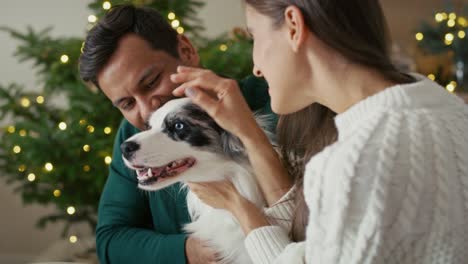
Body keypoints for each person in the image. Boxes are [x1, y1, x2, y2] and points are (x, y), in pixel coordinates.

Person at [171, 0, 468, 263]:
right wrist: (248, 135)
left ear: (293, 26)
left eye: (254, 38)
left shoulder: (353, 162)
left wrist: (240, 208)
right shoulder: (448, 108)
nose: (256, 67)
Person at [78, 4, 302, 264]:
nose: (148, 109)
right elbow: (111, 241)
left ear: (186, 50)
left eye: (151, 83)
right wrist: (189, 251)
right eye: (127, 104)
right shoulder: (134, 135)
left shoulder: (279, 101)